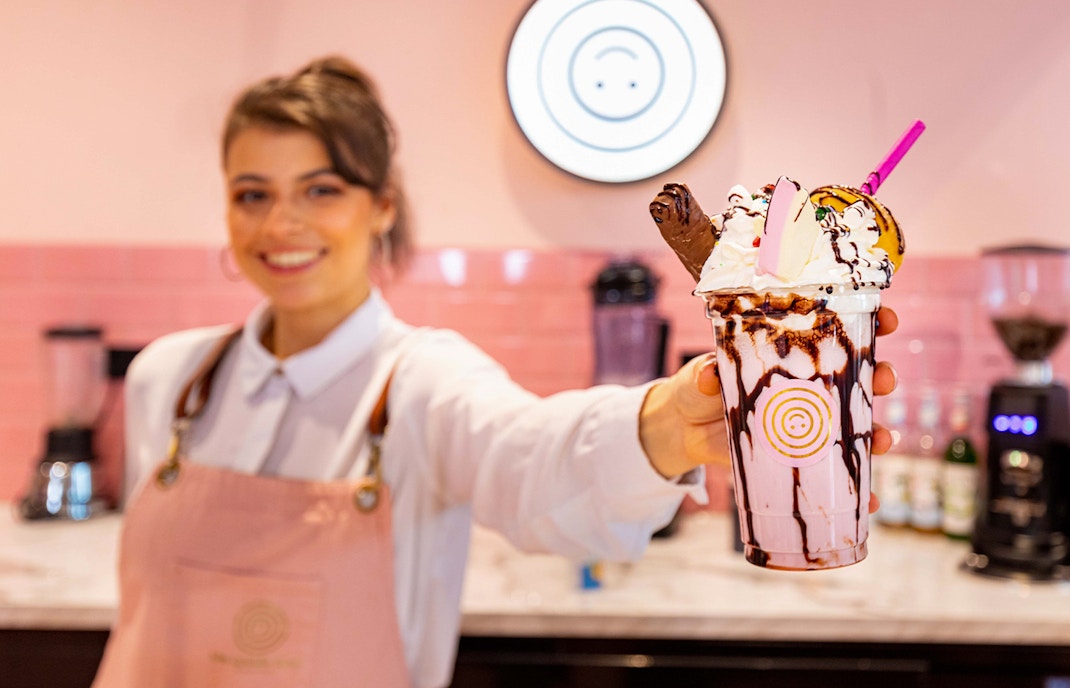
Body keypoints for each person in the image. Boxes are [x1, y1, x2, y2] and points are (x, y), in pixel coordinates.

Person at [92, 56, 900, 688]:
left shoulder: (421, 383)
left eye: (321, 189)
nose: (282, 223)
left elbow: (533, 460)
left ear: (381, 207)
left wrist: (667, 425)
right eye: (252, 194)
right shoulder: (167, 380)